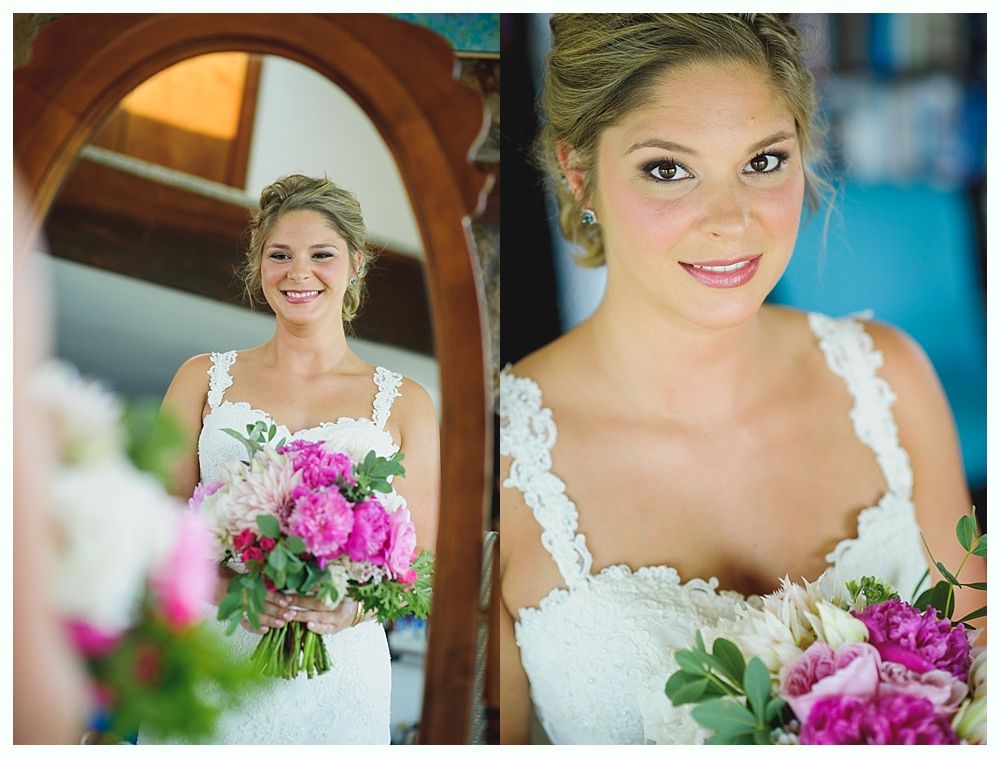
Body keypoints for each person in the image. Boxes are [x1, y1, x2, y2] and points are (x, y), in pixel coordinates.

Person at [499, 14, 985, 745]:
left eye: (762, 162)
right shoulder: (497, 458)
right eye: (668, 169)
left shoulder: (893, 379)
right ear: (579, 173)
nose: (732, 220)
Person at [147, 174, 440, 744]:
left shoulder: (406, 402)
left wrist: (350, 611)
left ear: (356, 263)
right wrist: (232, 592)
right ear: (259, 266)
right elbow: (158, 525)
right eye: (280, 255)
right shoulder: (201, 378)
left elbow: (421, 563)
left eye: (321, 255)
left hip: (340, 677)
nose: (298, 273)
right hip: (216, 652)